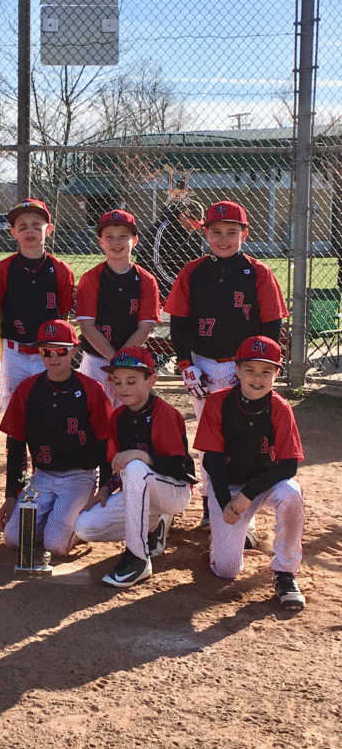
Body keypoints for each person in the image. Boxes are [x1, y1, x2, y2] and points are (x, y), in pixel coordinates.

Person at [163, 200, 288, 532]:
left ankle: (243, 505)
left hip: (243, 367)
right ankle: (210, 504)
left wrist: (253, 370)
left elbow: (272, 327)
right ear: (205, 233)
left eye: (231, 232)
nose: (223, 239)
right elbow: (178, 323)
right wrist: (187, 365)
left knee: (245, 438)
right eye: (215, 232)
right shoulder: (192, 271)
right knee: (209, 438)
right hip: (203, 363)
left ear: (243, 235)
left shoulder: (259, 272)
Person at [193, 335, 305, 610]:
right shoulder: (218, 401)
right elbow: (213, 460)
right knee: (227, 570)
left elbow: (289, 465)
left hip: (262, 486)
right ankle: (221, 538)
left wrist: (247, 495)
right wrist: (223, 502)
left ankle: (285, 572)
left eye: (266, 371)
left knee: (291, 492)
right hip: (228, 489)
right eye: (250, 369)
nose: (258, 378)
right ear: (237, 370)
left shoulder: (280, 407)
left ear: (276, 374)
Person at [74, 347, 197, 587]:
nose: (123, 388)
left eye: (132, 381)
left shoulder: (164, 413)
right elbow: (117, 468)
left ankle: (138, 558)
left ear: (152, 380)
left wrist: (140, 455)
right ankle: (154, 525)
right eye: (117, 382)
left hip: (174, 491)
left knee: (136, 467)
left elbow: (178, 467)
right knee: (85, 527)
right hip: (141, 490)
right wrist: (106, 490)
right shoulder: (118, 417)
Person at [0, 319, 113, 557]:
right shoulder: (27, 390)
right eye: (45, 351)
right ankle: (58, 516)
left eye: (60, 350)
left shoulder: (92, 389)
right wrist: (12, 495)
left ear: (73, 349)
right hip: (42, 476)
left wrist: (104, 488)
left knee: (55, 546)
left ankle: (76, 521)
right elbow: (16, 443)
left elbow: (105, 442)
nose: (53, 357)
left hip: (80, 475)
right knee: (12, 539)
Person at [0, 199, 74, 412]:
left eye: (37, 225)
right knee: (12, 412)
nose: (30, 231)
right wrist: (3, 354)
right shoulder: (2, 269)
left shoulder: (61, 270)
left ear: (49, 230)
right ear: (13, 232)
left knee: (49, 411)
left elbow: (63, 315)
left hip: (48, 355)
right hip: (14, 352)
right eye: (22, 226)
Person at [75, 209, 161, 406]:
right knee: (94, 414)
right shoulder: (91, 278)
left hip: (132, 360)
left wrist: (121, 361)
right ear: (101, 242)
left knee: (129, 413)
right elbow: (87, 327)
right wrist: (114, 360)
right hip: (96, 358)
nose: (116, 243)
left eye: (123, 236)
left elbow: (144, 328)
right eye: (109, 237)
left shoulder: (146, 280)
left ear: (135, 240)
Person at [136, 197, 204, 303]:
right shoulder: (163, 229)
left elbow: (198, 258)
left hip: (179, 279)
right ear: (182, 216)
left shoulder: (193, 232)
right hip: (158, 280)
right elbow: (155, 264)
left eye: (196, 224)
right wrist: (177, 284)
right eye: (192, 223)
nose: (193, 227)